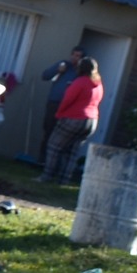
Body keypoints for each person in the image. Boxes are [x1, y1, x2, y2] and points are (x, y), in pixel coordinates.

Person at [41, 54, 102, 184]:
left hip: (75, 118)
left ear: (81, 68)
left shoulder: (80, 82)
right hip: (92, 121)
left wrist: (59, 113)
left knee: (54, 146)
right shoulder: (98, 84)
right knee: (72, 152)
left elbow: (67, 100)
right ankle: (64, 180)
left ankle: (47, 176)